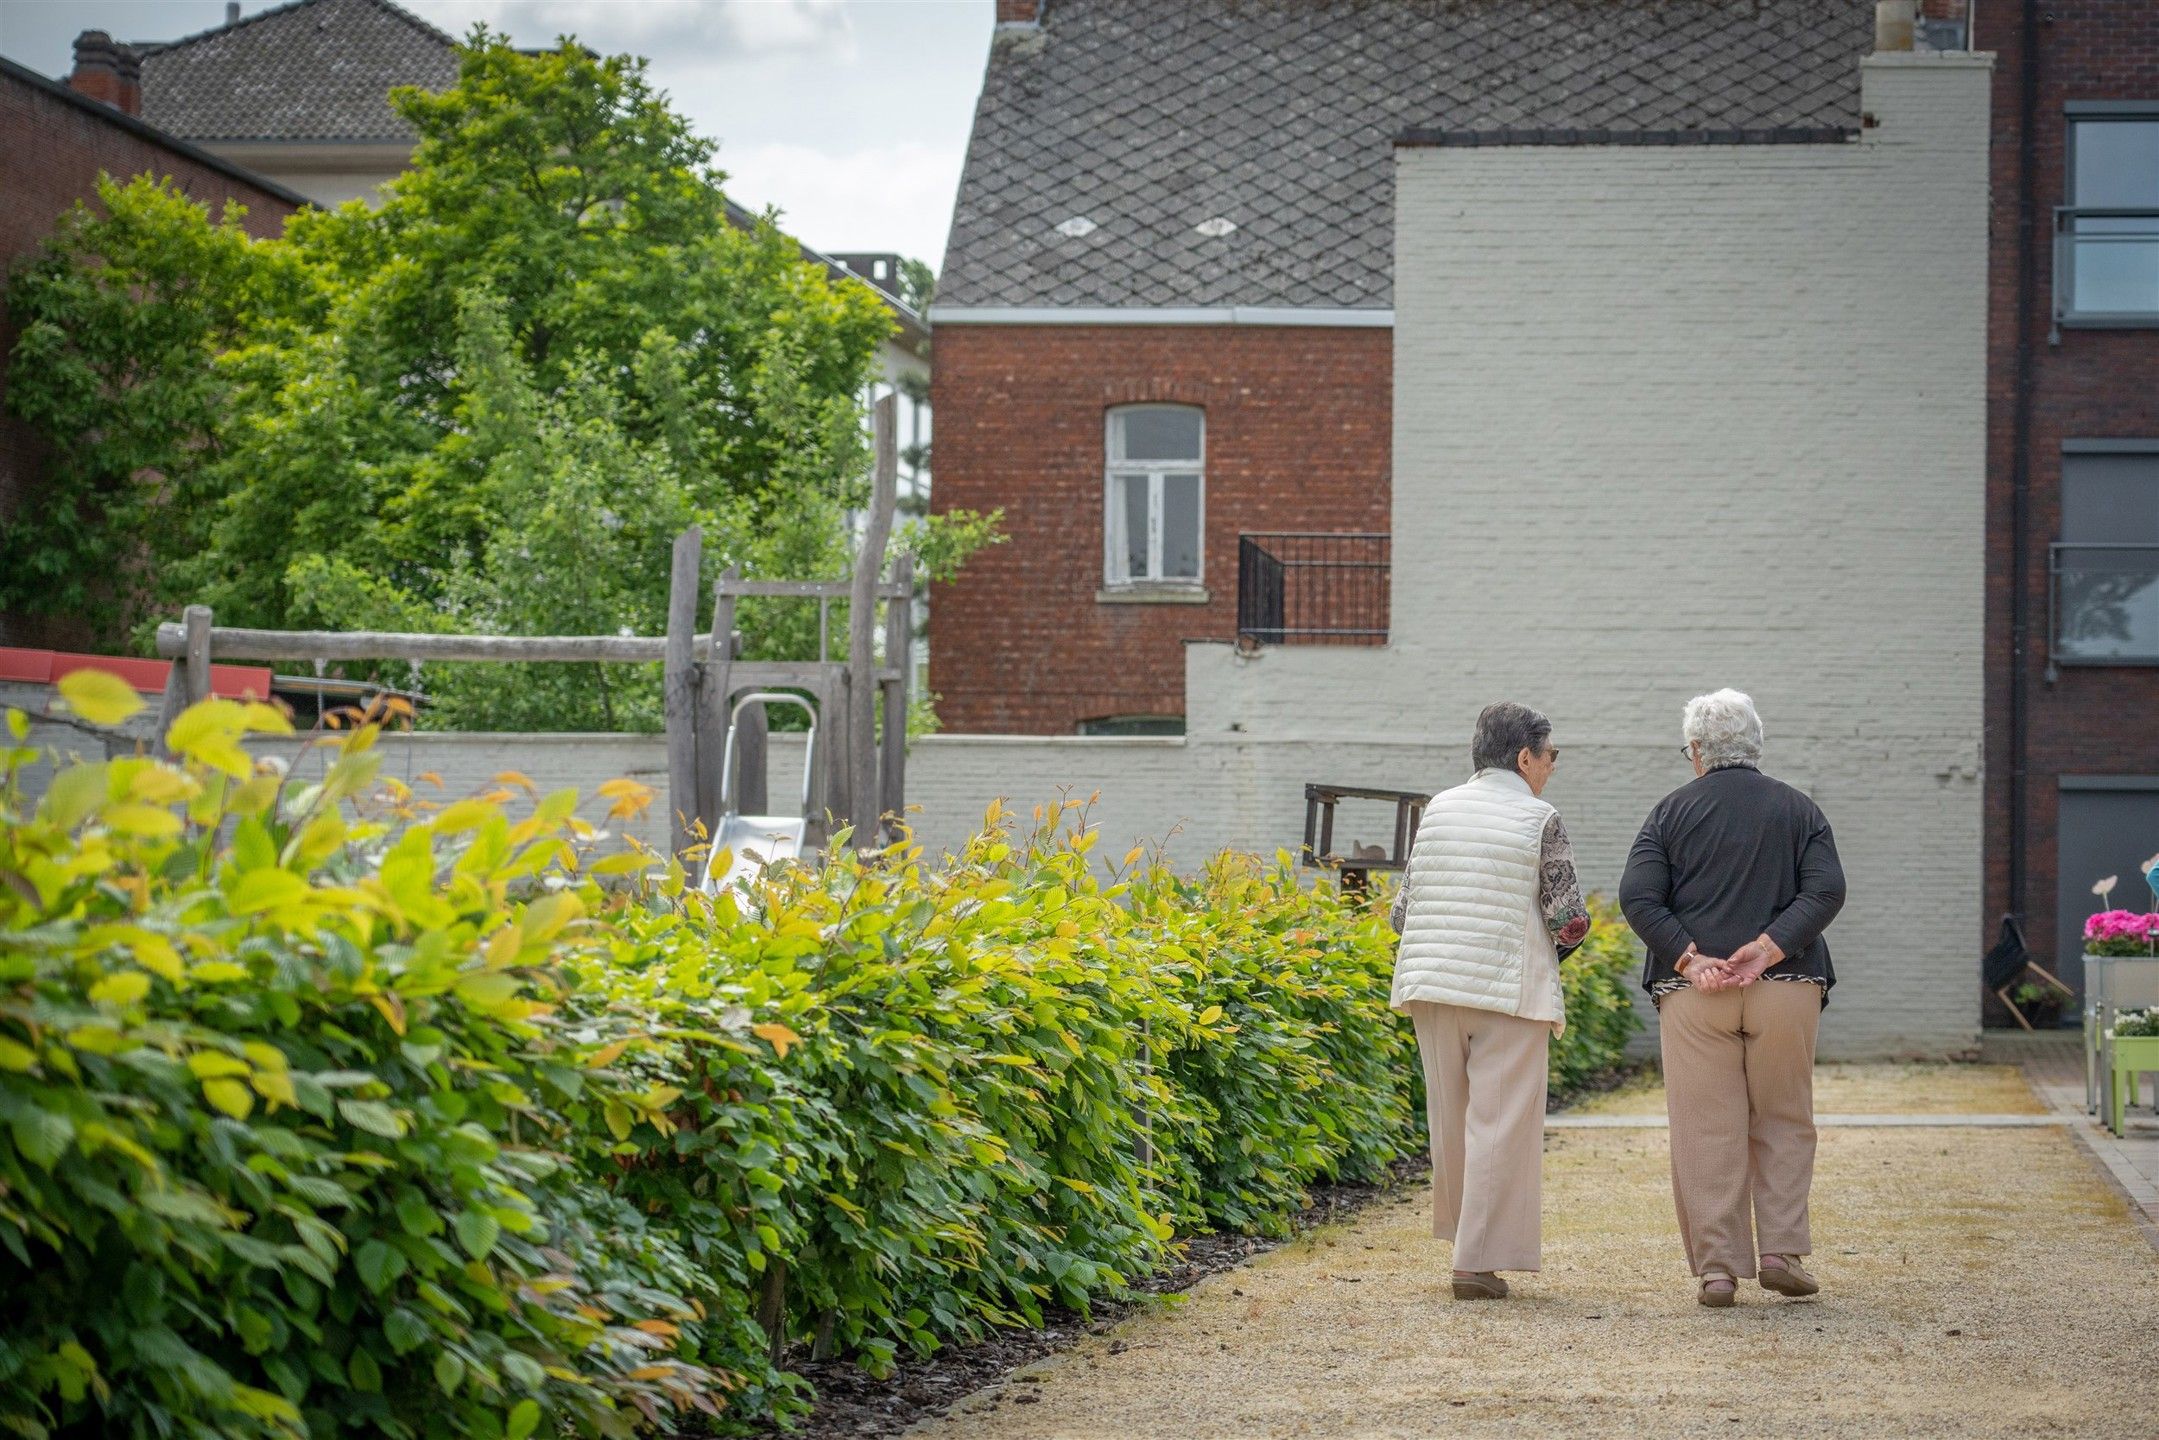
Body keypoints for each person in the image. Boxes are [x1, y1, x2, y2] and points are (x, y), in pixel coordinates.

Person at [1618, 688, 1846, 1309]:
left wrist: (1690, 958)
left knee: (1703, 1128)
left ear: (1695, 751)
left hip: (1696, 994)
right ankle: (1780, 1251)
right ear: (1757, 743)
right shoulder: (1800, 810)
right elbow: (1826, 891)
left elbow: (1638, 898)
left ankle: (1719, 1270)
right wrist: (1770, 947)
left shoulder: (1668, 813)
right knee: (1784, 1118)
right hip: (1787, 985)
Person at [1389, 701, 1591, 1300]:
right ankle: (1476, 1262)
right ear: (1524, 757)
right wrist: (1554, 950)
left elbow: (1403, 911)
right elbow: (1570, 918)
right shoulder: (1540, 817)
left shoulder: (1438, 809)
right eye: (1550, 754)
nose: (1553, 766)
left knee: (1451, 1121)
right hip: (1508, 990)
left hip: (1432, 985)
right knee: (1500, 1125)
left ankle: (1462, 1241)